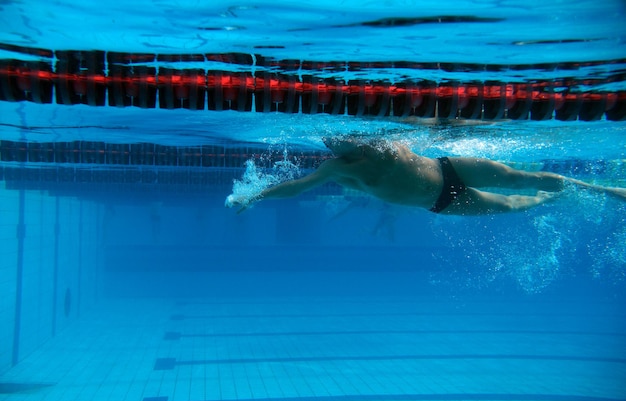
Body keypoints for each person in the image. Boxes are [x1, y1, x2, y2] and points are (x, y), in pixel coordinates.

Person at [225, 137, 626, 215]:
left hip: (449, 167)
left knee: (518, 176)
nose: (339, 142)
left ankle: (601, 188)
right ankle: (560, 197)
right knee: (514, 203)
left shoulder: (382, 139)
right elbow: (297, 187)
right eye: (332, 140)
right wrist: (254, 196)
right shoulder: (337, 168)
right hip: (441, 201)